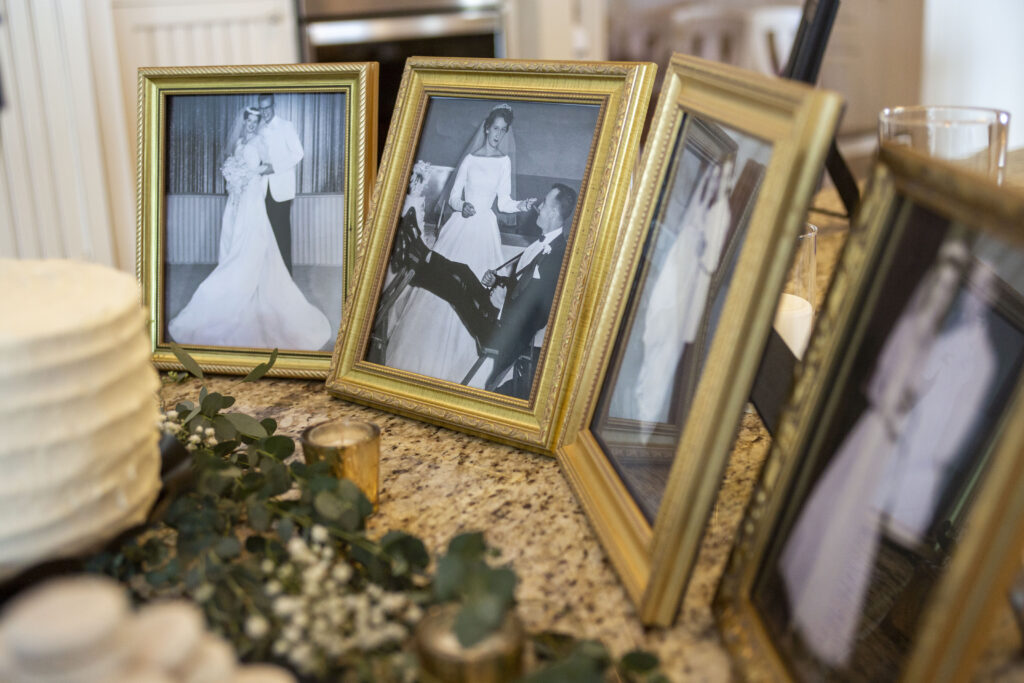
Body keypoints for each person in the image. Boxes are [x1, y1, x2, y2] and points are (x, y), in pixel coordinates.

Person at [778, 240, 997, 667]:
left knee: (862, 549)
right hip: (877, 439)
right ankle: (797, 600)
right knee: (834, 519)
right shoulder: (920, 328)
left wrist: (909, 432)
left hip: (907, 459)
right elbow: (880, 381)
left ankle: (827, 632)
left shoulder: (979, 360)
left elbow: (949, 436)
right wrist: (893, 411)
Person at [383, 103, 536, 383]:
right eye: (495, 128)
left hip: (485, 228)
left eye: (503, 131)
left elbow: (503, 202)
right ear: (487, 127)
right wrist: (462, 205)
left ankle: (469, 359)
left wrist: (521, 204)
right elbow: (453, 197)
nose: (498, 135)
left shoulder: (504, 162)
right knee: (440, 280)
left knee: (478, 287)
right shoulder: (471, 158)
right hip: (461, 225)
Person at [388, 183, 577, 398]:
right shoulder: (541, 245)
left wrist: (504, 305)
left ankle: (416, 257)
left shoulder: (557, 255)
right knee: (464, 272)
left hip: (505, 333)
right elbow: (522, 287)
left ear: (553, 212)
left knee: (458, 285)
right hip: (501, 316)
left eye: (544, 204)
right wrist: (499, 281)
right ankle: (418, 252)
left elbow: (540, 314)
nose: (539, 207)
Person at [168, 106, 331, 351]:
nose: (253, 125)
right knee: (232, 241)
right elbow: (235, 166)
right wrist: (234, 180)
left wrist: (248, 174)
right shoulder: (241, 141)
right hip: (237, 198)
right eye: (250, 121)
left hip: (253, 198)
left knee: (251, 244)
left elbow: (268, 165)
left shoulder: (260, 141)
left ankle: (241, 281)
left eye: (256, 121)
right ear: (244, 121)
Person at [257, 93, 304, 275]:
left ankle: (286, 278)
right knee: (266, 235)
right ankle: (270, 279)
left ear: (273, 106)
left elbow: (298, 153)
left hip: (281, 189)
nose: (265, 112)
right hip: (262, 190)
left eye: (267, 108)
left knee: (282, 235)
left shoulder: (286, 126)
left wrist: (274, 168)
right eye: (261, 109)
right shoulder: (259, 129)